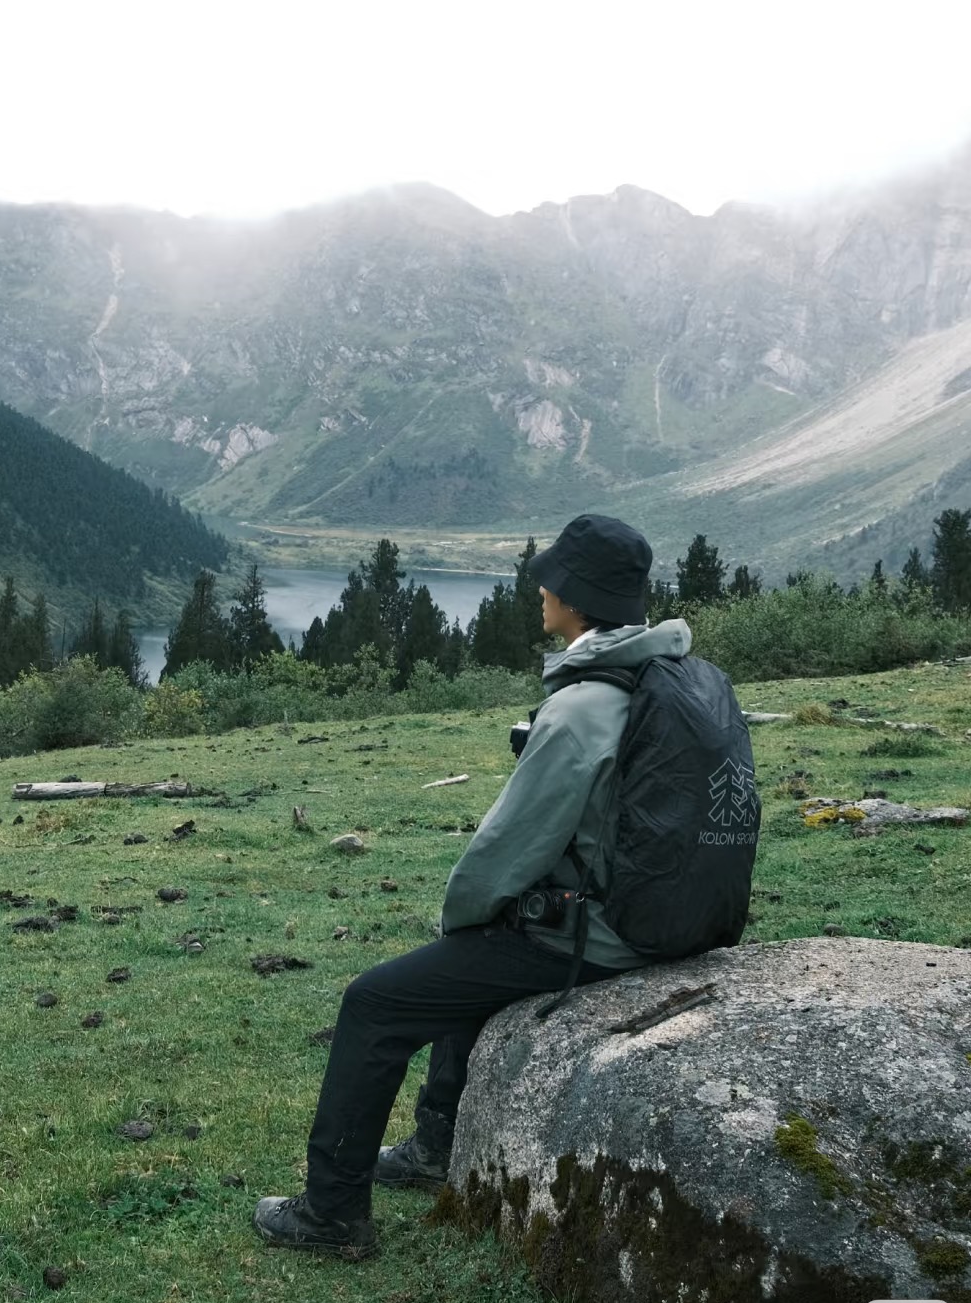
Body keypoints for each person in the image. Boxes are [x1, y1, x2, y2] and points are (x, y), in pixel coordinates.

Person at [253, 513, 685, 1258]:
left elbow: (507, 848)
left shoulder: (584, 707)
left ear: (577, 598)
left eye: (553, 576)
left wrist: (460, 917)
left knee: (376, 1002)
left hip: (601, 938)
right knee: (477, 955)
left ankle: (330, 1215)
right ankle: (434, 1149)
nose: (540, 586)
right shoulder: (667, 678)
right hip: (661, 919)